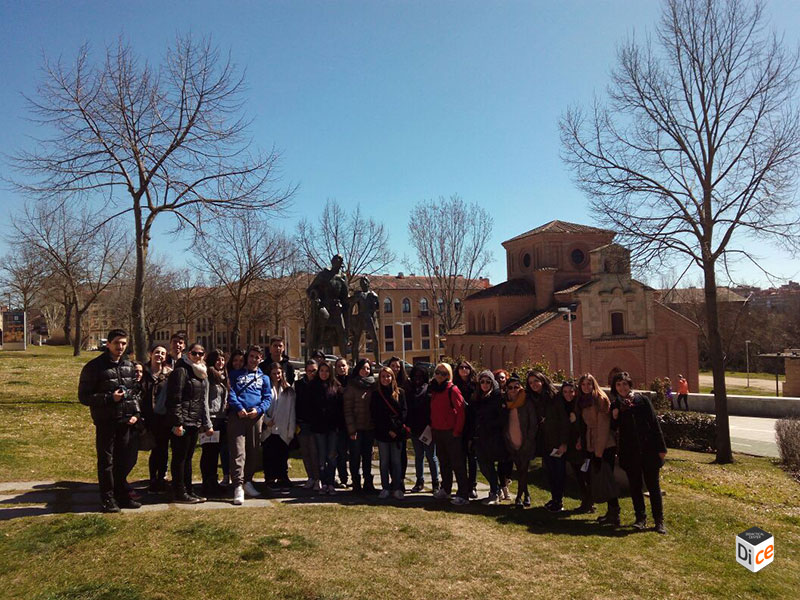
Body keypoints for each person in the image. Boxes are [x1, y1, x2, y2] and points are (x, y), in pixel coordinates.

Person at [78, 328, 141, 512]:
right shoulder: (94, 367)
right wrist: (109, 398)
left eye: (123, 343)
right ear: (108, 344)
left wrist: (135, 414)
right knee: (107, 462)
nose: (120, 347)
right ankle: (107, 498)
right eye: (117, 343)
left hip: (125, 420)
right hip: (106, 421)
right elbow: (84, 396)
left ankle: (122, 495)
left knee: (123, 461)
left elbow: (134, 392)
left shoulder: (128, 365)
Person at [612, 371, 668, 534]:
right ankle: (640, 519)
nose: (622, 387)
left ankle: (659, 521)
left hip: (648, 451)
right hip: (629, 453)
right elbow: (613, 429)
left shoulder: (641, 400)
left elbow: (654, 423)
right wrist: (614, 417)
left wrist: (661, 448)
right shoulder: (616, 405)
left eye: (624, 384)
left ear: (630, 384)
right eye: (618, 384)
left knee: (653, 487)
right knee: (635, 487)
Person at [166, 342, 212, 504]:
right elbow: (175, 399)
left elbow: (201, 400)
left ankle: (188, 489)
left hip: (194, 422)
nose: (198, 356)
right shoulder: (181, 371)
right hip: (183, 422)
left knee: (188, 457)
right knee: (180, 458)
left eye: (201, 353)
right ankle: (179, 491)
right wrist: (178, 422)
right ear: (188, 354)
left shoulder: (201, 373)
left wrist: (204, 422)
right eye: (194, 353)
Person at [228, 345, 272, 505]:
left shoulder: (264, 378)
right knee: (238, 451)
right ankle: (238, 485)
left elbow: (267, 398)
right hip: (238, 417)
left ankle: (248, 481)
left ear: (260, 359)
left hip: (255, 417)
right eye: (251, 356)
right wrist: (239, 408)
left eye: (257, 357)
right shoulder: (235, 374)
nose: (254, 359)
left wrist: (258, 409)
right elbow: (230, 392)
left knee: (253, 450)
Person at [577, 373, 620, 526]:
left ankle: (615, 513)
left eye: (589, 384)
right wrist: (581, 441)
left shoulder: (600, 399)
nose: (586, 387)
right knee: (598, 478)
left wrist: (598, 453)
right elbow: (588, 425)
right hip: (592, 443)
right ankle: (611, 512)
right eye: (583, 384)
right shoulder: (584, 400)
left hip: (604, 445)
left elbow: (603, 428)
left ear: (594, 384)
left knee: (606, 479)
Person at [528, 370, 569, 512]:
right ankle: (554, 499)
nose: (534, 384)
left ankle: (559, 502)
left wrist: (564, 443)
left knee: (558, 473)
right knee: (551, 473)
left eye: (536, 381)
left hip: (557, 441)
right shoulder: (534, 398)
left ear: (543, 381)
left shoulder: (554, 396)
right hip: (544, 442)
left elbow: (563, 420)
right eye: (531, 382)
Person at [429, 363, 469, 506]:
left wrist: (457, 431)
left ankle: (463, 494)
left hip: (451, 432)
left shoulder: (453, 389)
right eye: (438, 372)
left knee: (458, 464)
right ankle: (446, 489)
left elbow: (460, 412)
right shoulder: (434, 389)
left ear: (449, 375)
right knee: (444, 462)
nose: (440, 376)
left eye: (444, 374)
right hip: (438, 431)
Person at [371, 366, 409, 499]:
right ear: (379, 378)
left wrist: (395, 429)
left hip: (396, 433)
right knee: (384, 462)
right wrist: (387, 430)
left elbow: (404, 413)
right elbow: (375, 415)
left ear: (392, 377)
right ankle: (385, 487)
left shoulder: (400, 393)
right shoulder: (376, 394)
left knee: (397, 461)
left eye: (388, 376)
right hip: (383, 433)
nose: (386, 379)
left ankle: (397, 487)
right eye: (383, 376)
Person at [140, 344, 172, 494]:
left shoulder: (169, 374)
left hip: (163, 417)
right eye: (157, 352)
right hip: (148, 417)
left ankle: (161, 479)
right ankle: (153, 479)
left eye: (163, 353)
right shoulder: (143, 372)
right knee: (154, 449)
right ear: (151, 354)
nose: (160, 355)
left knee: (163, 449)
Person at [472, 370, 508, 505]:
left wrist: (488, 425)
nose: (485, 384)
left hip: (494, 437)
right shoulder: (477, 397)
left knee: (492, 464)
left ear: (492, 383)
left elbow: (502, 417)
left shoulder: (498, 396)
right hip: (480, 437)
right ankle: (496, 489)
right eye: (482, 381)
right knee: (484, 465)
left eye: (488, 381)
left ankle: (494, 492)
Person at [343, 358, 377, 494]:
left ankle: (368, 482)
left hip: (369, 428)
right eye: (363, 368)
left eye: (368, 369)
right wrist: (351, 430)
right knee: (355, 457)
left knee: (368, 457)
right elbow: (348, 409)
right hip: (356, 429)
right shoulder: (351, 386)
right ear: (358, 369)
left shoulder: (374, 385)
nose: (365, 371)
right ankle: (356, 483)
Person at [504, 374, 538, 508]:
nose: (513, 390)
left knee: (523, 469)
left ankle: (519, 496)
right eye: (510, 387)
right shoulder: (505, 403)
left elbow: (533, 423)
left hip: (525, 442)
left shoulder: (526, 402)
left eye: (516, 387)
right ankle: (527, 494)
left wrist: (528, 441)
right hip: (511, 442)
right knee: (519, 470)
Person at [561, 380, 594, 513]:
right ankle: (586, 501)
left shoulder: (579, 405)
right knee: (578, 474)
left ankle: (588, 502)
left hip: (581, 444)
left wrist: (580, 438)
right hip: (570, 444)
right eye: (565, 392)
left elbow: (584, 425)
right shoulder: (563, 405)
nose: (568, 394)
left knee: (584, 474)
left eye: (571, 391)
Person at [262, 363, 296, 491]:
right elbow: (261, 405)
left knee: (282, 454)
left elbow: (292, 411)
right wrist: (266, 420)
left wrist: (290, 430)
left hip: (283, 426)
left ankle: (283, 477)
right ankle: (270, 478)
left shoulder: (288, 391)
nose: (276, 376)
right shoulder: (265, 388)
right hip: (269, 427)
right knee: (269, 454)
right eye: (274, 373)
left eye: (279, 373)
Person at [310, 361, 343, 495]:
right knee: (322, 455)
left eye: (327, 371)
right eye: (322, 370)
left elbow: (340, 408)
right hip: (319, 427)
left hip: (333, 427)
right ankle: (323, 482)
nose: (324, 373)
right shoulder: (313, 386)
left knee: (332, 455)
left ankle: (330, 482)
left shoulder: (336, 386)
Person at [200, 349, 228, 499]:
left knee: (215, 453)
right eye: (218, 359)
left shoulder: (222, 377)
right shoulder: (208, 377)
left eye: (223, 360)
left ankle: (213, 481)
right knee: (208, 454)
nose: (221, 362)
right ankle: (207, 483)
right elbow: (204, 401)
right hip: (210, 419)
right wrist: (207, 423)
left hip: (221, 419)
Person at [407, 364, 440, 493]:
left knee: (431, 456)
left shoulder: (430, 390)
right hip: (415, 428)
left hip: (428, 428)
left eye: (420, 376)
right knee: (418, 456)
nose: (417, 379)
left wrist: (431, 425)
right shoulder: (410, 390)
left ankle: (435, 482)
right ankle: (419, 481)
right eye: (415, 376)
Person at [294, 359, 321, 490]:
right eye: (309, 371)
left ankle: (318, 478)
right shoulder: (299, 385)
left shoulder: (320, 384)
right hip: (302, 423)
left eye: (314, 371)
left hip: (316, 424)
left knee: (315, 452)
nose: (311, 373)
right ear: (305, 371)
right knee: (305, 453)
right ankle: (310, 477)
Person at [454, 360, 479, 499]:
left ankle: (472, 486)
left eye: (466, 367)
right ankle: (462, 486)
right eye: (461, 367)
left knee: (472, 458)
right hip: (458, 424)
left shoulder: (475, 386)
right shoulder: (454, 386)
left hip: (471, 424)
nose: (464, 370)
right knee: (460, 459)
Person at [388, 356, 411, 490]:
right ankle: (393, 479)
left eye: (398, 366)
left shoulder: (406, 384)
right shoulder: (384, 383)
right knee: (389, 456)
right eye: (393, 366)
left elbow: (407, 408)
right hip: (388, 426)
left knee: (402, 454)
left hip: (401, 425)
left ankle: (401, 479)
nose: (395, 369)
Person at [333, 357, 351, 487]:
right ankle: (343, 478)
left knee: (354, 453)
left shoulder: (352, 382)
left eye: (343, 366)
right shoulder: (332, 383)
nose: (341, 368)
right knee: (341, 453)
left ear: (348, 367)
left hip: (352, 422)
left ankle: (355, 477)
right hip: (339, 423)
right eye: (339, 366)